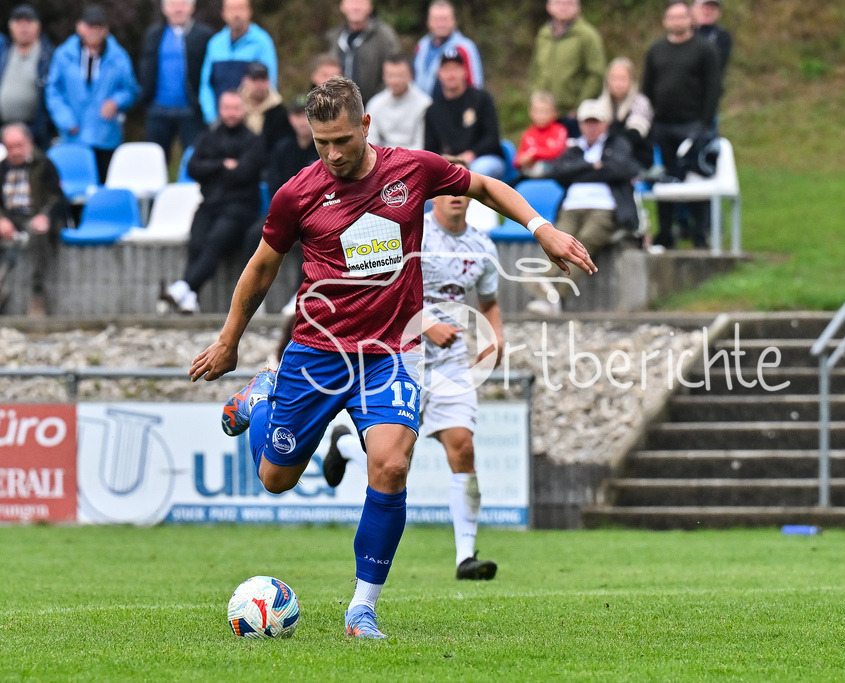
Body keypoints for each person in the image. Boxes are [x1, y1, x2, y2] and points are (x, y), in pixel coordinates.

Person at [187, 76, 596, 639]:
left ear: (366, 127)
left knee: (392, 464)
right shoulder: (296, 194)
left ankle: (362, 609)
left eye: (341, 141)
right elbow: (261, 267)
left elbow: (483, 186)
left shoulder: (411, 169)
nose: (331, 154)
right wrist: (230, 338)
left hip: (392, 352)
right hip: (317, 353)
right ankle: (262, 399)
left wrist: (541, 228)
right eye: (320, 142)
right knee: (275, 478)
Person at [325, 156, 503, 581]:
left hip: (451, 365)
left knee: (462, 445)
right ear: (436, 193)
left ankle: (465, 557)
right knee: (391, 455)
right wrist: (426, 324)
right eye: (450, 188)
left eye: (464, 189)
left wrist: (494, 337)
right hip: (399, 355)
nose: (457, 195)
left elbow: (490, 302)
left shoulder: (483, 245)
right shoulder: (411, 230)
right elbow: (379, 286)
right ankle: (346, 447)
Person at [525, 99, 640, 315]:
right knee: (558, 240)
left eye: (596, 121)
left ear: (605, 123)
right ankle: (547, 286)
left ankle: (554, 296)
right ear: (580, 124)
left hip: (605, 207)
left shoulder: (617, 144)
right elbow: (558, 172)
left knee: (583, 242)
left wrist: (580, 171)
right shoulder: (574, 148)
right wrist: (591, 166)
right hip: (572, 206)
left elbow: (621, 169)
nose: (592, 126)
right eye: (587, 122)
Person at [162, 90, 264, 314]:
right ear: (220, 109)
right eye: (227, 108)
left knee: (215, 241)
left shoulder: (253, 141)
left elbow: (244, 173)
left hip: (240, 207)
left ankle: (185, 286)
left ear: (243, 110)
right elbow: (193, 168)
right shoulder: (209, 136)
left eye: (235, 108)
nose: (231, 113)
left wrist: (212, 167)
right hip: (210, 204)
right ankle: (190, 298)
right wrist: (222, 165)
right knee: (196, 242)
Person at [642, 0, 720, 249]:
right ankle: (666, 232)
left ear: (690, 19)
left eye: (682, 17)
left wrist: (704, 124)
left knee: (696, 180)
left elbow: (713, 88)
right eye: (672, 18)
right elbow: (647, 88)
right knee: (664, 179)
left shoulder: (704, 49)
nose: (677, 22)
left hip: (693, 125)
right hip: (663, 125)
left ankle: (700, 233)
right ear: (665, 22)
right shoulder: (656, 50)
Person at [45, 5, 139, 183]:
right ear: (80, 27)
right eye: (90, 26)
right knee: (72, 186)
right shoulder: (63, 55)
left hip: (105, 134)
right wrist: (65, 119)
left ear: (106, 30)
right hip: (74, 134)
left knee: (104, 185)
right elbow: (53, 91)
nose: (95, 31)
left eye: (99, 27)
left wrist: (116, 101)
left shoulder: (118, 57)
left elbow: (130, 89)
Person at [0, 122, 64, 317]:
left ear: (29, 142)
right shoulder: (2, 168)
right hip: (10, 217)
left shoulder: (45, 164)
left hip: (35, 216)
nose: (15, 151)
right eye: (10, 147)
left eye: (19, 145)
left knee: (38, 233)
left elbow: (59, 198)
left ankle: (38, 296)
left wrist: (45, 216)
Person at [138, 0, 215, 159]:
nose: (178, 9)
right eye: (173, 4)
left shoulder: (205, 35)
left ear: (192, 8)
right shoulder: (153, 34)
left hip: (192, 110)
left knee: (196, 159)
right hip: (158, 109)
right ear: (164, 9)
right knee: (155, 161)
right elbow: (145, 68)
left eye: (183, 4)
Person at [528, 0, 606, 135]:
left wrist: (579, 106)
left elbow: (596, 74)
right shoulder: (543, 34)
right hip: (543, 116)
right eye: (558, 3)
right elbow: (535, 70)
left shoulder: (588, 36)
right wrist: (535, 98)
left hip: (572, 116)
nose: (563, 7)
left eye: (568, 3)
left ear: (578, 8)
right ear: (549, 7)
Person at [424, 50, 504, 179]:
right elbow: (430, 149)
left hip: (483, 159)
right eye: (446, 69)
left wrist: (471, 154)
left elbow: (492, 138)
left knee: (476, 172)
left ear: (464, 71)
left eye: (455, 69)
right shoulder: (433, 110)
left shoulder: (481, 99)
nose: (451, 74)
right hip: (449, 164)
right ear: (438, 74)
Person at [198, 0, 277, 125]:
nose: (236, 14)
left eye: (241, 8)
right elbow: (206, 84)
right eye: (231, 9)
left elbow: (269, 84)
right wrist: (211, 117)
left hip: (251, 123)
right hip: (218, 122)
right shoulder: (215, 43)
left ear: (250, 12)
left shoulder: (262, 42)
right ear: (223, 14)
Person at [0, 4, 55, 151]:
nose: (23, 28)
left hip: (35, 131)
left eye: (28, 23)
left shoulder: (48, 56)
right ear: (11, 27)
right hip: (4, 127)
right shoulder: (4, 52)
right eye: (19, 23)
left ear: (38, 27)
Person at [326, 0, 400, 103]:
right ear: (342, 6)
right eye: (351, 2)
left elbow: (395, 70)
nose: (356, 7)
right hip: (339, 106)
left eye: (360, 2)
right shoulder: (334, 36)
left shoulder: (384, 36)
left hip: (373, 106)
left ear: (370, 7)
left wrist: (377, 102)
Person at [412, 0, 484, 99]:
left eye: (445, 19)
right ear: (429, 22)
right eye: (436, 19)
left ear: (453, 21)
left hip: (452, 108)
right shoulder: (421, 46)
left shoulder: (464, 48)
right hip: (421, 109)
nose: (441, 24)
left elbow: (475, 84)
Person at [596, 57, 654, 169]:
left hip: (636, 158)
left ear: (631, 80)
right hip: (605, 159)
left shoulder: (641, 103)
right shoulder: (600, 103)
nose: (618, 83)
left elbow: (634, 135)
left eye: (622, 79)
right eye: (614, 78)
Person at [365, 55, 431, 150]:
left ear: (410, 75)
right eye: (390, 76)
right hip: (384, 158)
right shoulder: (375, 104)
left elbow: (421, 144)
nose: (395, 81)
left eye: (400, 75)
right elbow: (371, 142)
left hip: (415, 157)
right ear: (384, 76)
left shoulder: (424, 104)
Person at [238, 61, 290, 152]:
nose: (259, 85)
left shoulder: (279, 111)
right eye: (254, 80)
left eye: (263, 80)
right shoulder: (235, 107)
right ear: (244, 81)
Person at [513, 91, 567, 179]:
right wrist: (523, 160)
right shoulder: (528, 133)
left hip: (555, 173)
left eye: (545, 111)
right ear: (531, 112)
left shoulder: (559, 130)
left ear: (555, 113)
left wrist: (533, 154)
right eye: (537, 111)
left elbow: (556, 152)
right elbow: (518, 160)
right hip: (528, 174)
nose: (541, 116)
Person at [693, 0, 732, 78]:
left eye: (713, 8)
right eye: (704, 7)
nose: (708, 11)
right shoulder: (682, 32)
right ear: (693, 8)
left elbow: (716, 67)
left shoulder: (722, 36)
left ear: (719, 13)